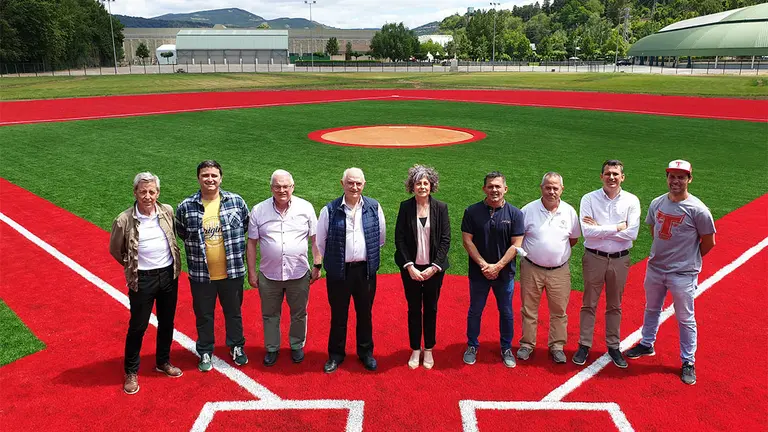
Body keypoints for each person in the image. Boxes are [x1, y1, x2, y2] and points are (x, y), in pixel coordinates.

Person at [626, 160, 716, 385]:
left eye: (681, 177)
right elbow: (653, 229)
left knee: (685, 318)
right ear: (667, 178)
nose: (676, 181)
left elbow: (709, 241)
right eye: (672, 176)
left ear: (689, 179)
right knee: (652, 308)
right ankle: (647, 343)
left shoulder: (698, 210)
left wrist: (688, 260)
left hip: (683, 274)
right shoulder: (657, 203)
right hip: (656, 268)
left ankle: (688, 361)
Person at [109, 172, 183, 395]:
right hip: (142, 279)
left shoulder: (167, 211)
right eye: (143, 191)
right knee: (138, 326)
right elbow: (115, 249)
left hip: (169, 275)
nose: (147, 196)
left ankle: (163, 361)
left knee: (167, 321)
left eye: (152, 191)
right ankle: (131, 371)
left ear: (158, 192)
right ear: (135, 192)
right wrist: (132, 264)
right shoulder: (123, 220)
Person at [176, 160, 250, 372]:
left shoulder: (236, 201)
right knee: (204, 314)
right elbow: (181, 232)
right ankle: (205, 350)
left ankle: (236, 346)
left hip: (232, 272)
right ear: (198, 178)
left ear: (221, 177)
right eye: (205, 175)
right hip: (201, 275)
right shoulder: (186, 206)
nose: (210, 179)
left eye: (214, 175)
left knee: (234, 312)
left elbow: (245, 226)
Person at [246, 170, 320, 366]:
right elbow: (252, 243)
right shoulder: (259, 210)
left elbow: (316, 240)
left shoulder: (305, 208)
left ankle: (296, 345)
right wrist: (252, 272)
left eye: (286, 186)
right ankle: (272, 348)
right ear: (271, 188)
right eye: (277, 186)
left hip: (298, 273)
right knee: (270, 314)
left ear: (292, 187)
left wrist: (317, 264)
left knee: (299, 312)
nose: (282, 190)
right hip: (269, 275)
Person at [316, 168, 386, 373]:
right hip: (339, 272)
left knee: (365, 314)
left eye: (358, 183)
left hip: (365, 271)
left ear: (364, 184)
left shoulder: (374, 207)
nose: (354, 187)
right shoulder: (329, 210)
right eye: (350, 183)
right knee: (339, 315)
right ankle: (336, 355)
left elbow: (380, 238)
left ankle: (366, 353)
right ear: (342, 183)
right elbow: (321, 242)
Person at [573, 160, 641, 369]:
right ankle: (584, 345)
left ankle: (613, 346)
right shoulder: (589, 198)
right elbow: (587, 232)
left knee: (615, 305)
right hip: (594, 257)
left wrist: (601, 228)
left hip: (620, 259)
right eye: (608, 173)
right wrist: (617, 227)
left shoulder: (631, 200)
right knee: (589, 303)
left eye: (615, 174)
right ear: (601, 176)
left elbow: (633, 233)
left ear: (623, 177)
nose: (611, 177)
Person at [461, 171, 524, 368]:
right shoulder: (472, 211)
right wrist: (483, 265)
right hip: (479, 273)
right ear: (484, 189)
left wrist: (497, 267)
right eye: (490, 186)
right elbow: (467, 240)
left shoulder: (515, 214)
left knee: (506, 312)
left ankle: (506, 347)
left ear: (505, 189)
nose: (494, 190)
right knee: (475, 311)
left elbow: (516, 244)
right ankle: (472, 345)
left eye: (498, 186)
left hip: (504, 274)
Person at [516, 172, 580, 364]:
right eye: (548, 187)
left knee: (559, 311)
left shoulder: (569, 212)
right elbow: (519, 237)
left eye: (555, 188)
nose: (551, 191)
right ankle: (527, 344)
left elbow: (573, 239)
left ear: (562, 189)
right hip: (531, 268)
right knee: (529, 309)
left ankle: (557, 346)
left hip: (559, 271)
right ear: (541, 188)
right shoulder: (527, 210)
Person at [394, 165, 451, 369]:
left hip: (433, 270)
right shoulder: (405, 207)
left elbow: (445, 239)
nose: (422, 186)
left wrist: (434, 267)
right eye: (418, 183)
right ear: (412, 186)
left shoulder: (441, 208)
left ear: (431, 185)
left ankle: (428, 349)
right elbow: (399, 239)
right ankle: (415, 348)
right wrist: (409, 266)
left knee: (431, 308)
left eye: (426, 183)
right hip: (411, 269)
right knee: (413, 309)